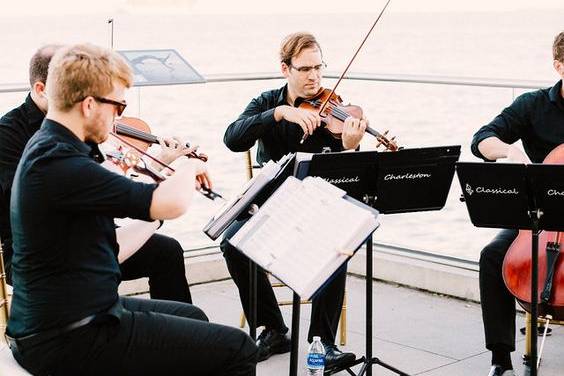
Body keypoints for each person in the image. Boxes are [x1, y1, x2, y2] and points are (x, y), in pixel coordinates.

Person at [6, 43, 257, 375]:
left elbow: (117, 238)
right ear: (89, 104)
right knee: (239, 349)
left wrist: (160, 191)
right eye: (117, 106)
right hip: (69, 335)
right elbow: (169, 204)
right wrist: (186, 168)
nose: (118, 118)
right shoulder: (59, 162)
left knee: (191, 317)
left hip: (76, 314)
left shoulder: (57, 146)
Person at [0, 44, 193, 304]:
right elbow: (30, 197)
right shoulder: (9, 135)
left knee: (167, 250)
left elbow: (104, 184)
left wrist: (157, 164)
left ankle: (166, 335)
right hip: (36, 249)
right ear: (41, 89)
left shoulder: (76, 127)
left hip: (90, 230)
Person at [222, 32, 368, 371]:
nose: (314, 77)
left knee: (338, 242)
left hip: (319, 210)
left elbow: (350, 178)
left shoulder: (335, 109)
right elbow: (232, 138)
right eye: (305, 69)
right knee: (232, 242)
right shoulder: (268, 101)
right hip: (275, 207)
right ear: (285, 69)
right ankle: (273, 328)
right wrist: (279, 114)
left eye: (319, 67)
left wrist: (349, 147)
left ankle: (323, 342)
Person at [471, 31, 564, 376]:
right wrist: (509, 151)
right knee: (492, 256)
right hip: (538, 218)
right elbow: (481, 139)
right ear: (559, 66)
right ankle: (501, 360)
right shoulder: (533, 105)